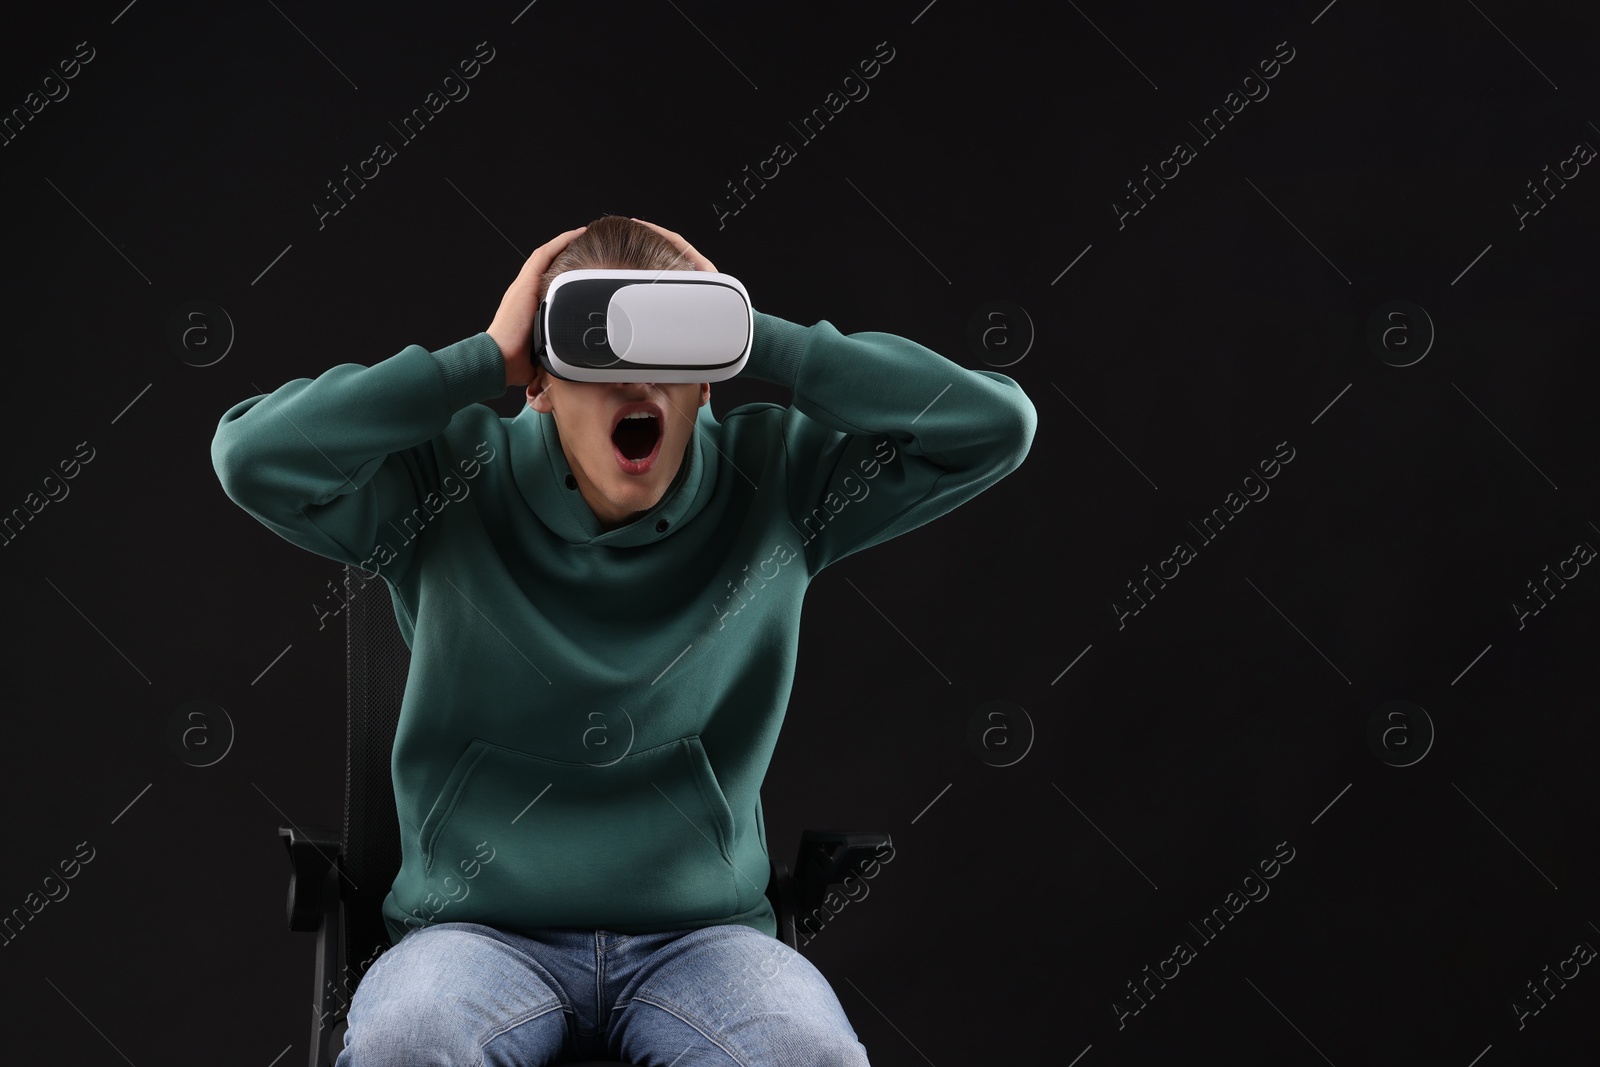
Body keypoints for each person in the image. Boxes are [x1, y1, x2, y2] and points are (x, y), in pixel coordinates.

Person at [211, 215, 1037, 1064]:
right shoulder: (444, 483)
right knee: (410, 1040)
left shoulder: (779, 481)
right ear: (540, 382)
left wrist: (759, 336)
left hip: (703, 940)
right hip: (474, 936)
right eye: (597, 349)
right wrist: (480, 360)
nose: (636, 382)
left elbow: (993, 427)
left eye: (673, 350)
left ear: (708, 380)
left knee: (805, 1054)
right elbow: (252, 456)